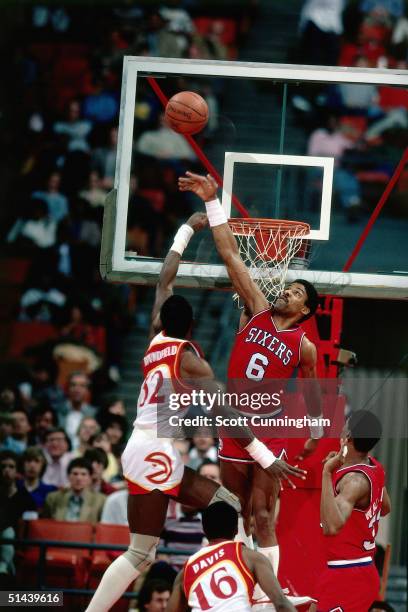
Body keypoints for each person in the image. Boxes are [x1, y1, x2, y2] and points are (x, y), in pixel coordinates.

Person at [85, 213, 305, 612]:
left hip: (140, 446)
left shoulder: (155, 336)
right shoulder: (190, 360)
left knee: (158, 542)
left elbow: (165, 278)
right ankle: (246, 591)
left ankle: (242, 587)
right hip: (155, 451)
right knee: (154, 546)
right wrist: (265, 456)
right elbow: (227, 416)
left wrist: (185, 228)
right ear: (193, 325)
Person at [178, 171, 321, 589]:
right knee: (235, 508)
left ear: (306, 310)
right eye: (288, 288)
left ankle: (266, 592)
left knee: (263, 514)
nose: (287, 292)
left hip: (271, 428)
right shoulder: (257, 309)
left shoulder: (303, 345)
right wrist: (212, 201)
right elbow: (231, 256)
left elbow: (313, 391)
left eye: (295, 292)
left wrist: (313, 431)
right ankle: (240, 583)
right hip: (234, 425)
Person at [313, 410, 391, 612]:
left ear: (347, 437)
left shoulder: (354, 481)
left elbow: (331, 526)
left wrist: (327, 473)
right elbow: (385, 508)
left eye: (345, 425)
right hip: (353, 568)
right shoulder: (375, 467)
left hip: (348, 572)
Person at [167, 501, 296, 611]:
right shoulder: (250, 557)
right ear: (235, 530)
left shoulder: (186, 570)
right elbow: (281, 604)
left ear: (204, 531)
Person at [43, 457, 105, 523]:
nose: (79, 478)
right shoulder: (53, 498)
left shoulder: (100, 500)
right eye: (75, 474)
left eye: (83, 474)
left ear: (90, 477)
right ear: (68, 476)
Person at [17, 447, 57, 512]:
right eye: (28, 461)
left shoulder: (50, 490)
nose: (32, 465)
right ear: (22, 464)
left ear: (43, 465)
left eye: (37, 461)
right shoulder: (14, 487)